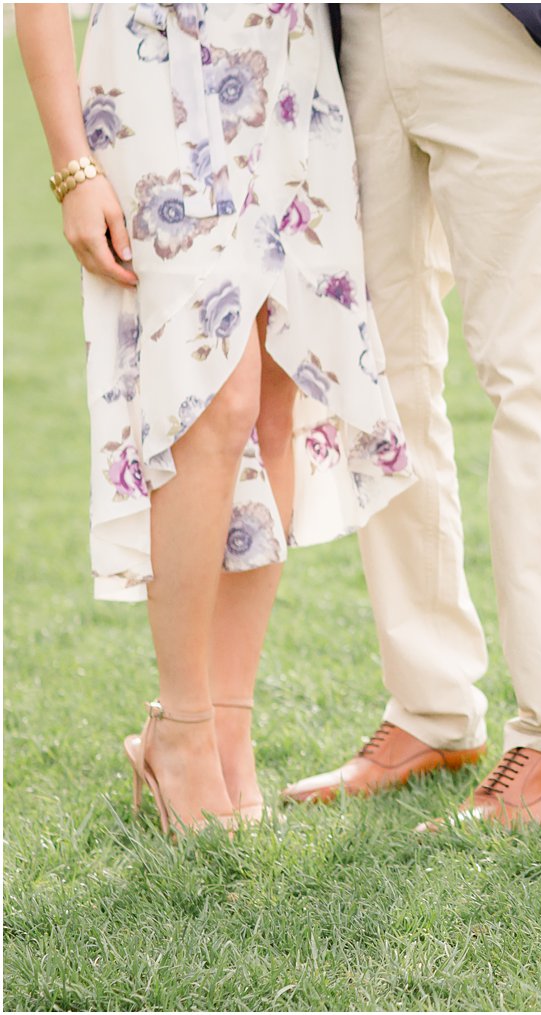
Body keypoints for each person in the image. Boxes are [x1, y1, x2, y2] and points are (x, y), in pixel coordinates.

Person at [16, 3, 414, 835]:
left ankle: (229, 723)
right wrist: (72, 166)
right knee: (212, 403)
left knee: (276, 397)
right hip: (157, 73)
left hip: (293, 68)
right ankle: (183, 728)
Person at [279, 4, 541, 832]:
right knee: (378, 381)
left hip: (499, 35)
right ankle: (430, 707)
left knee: (534, 379)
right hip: (354, 41)